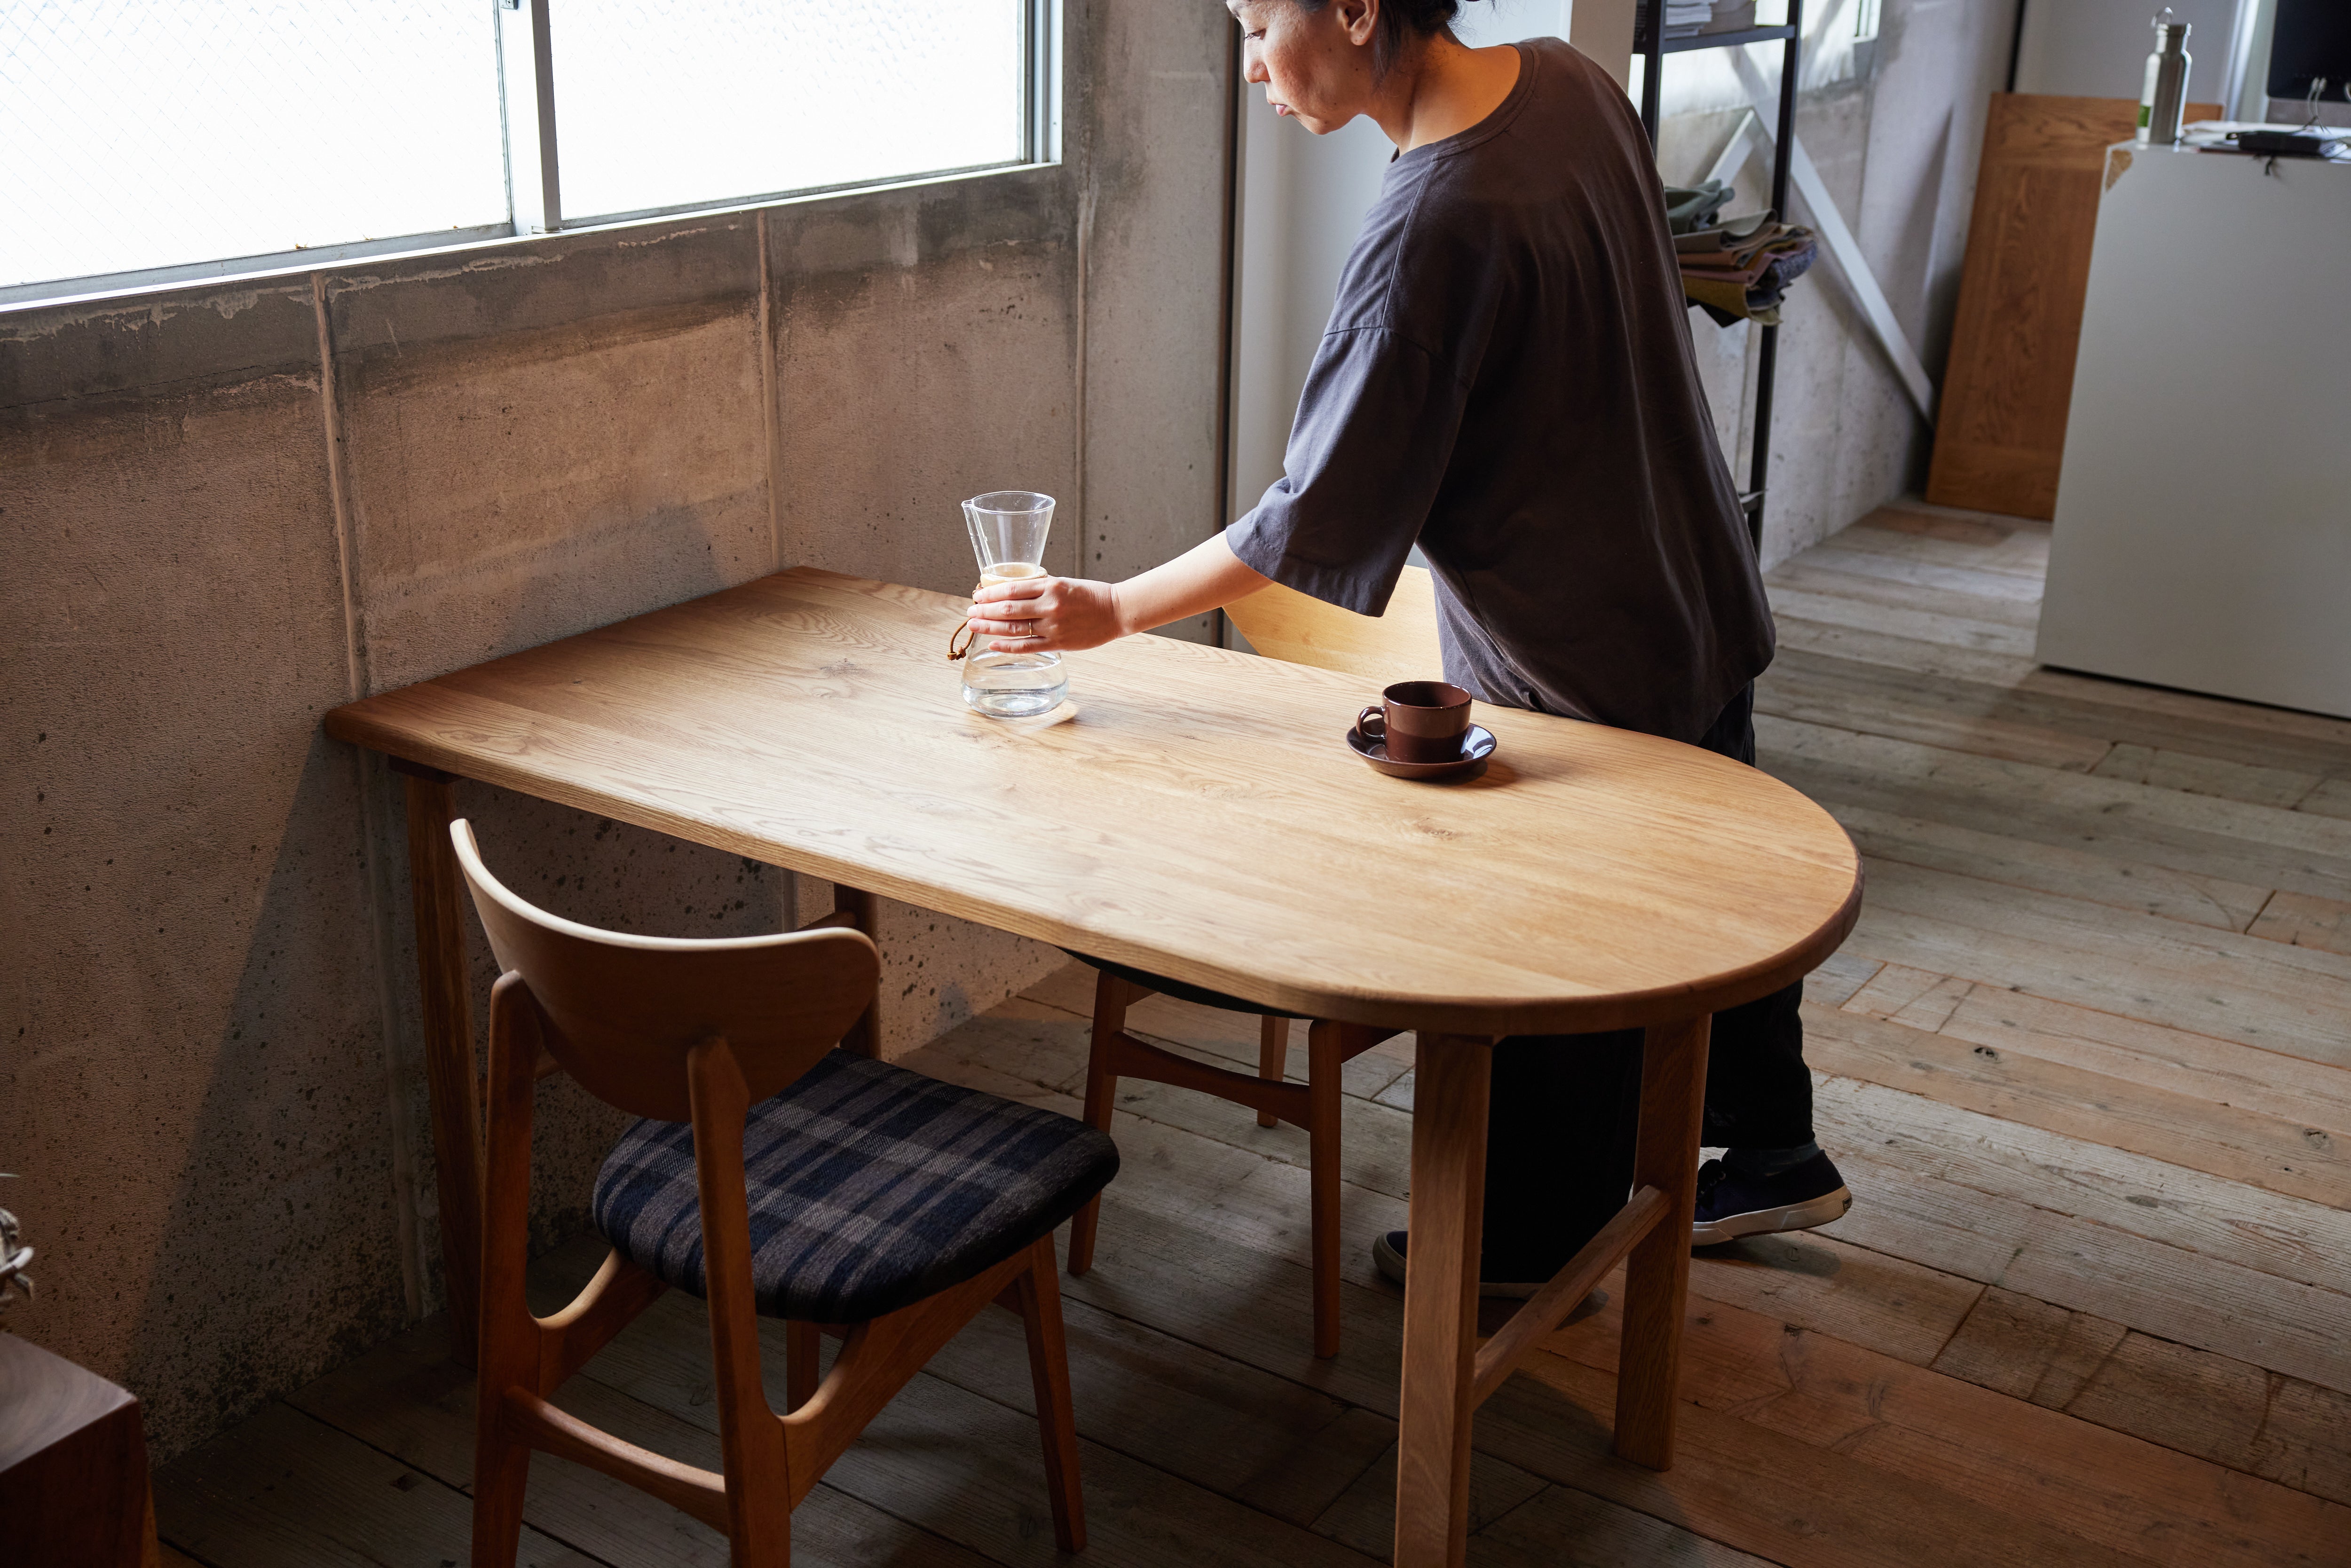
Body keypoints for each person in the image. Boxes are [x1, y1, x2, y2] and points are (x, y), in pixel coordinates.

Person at [967, 0, 1851, 1292]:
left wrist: (1112, 610)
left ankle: (1528, 1259)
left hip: (1581, 660)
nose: (1251, 68)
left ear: (1355, 9)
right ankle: (1773, 1150)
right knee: (1714, 893)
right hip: (1697, 583)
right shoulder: (1567, 82)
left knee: (1563, 968)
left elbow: (1313, 510)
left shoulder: (1434, 222)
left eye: (1258, 25)